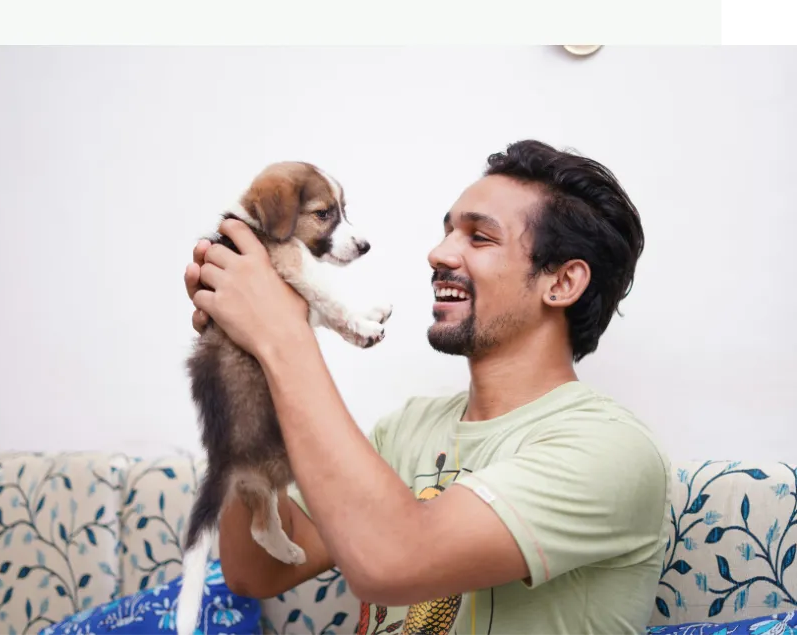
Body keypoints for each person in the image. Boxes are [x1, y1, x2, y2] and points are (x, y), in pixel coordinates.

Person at [184, 139, 671, 635]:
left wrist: (281, 336)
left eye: (479, 238)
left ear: (563, 282)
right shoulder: (407, 430)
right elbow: (255, 570)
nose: (438, 254)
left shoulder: (610, 449)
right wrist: (244, 351)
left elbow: (392, 562)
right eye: (446, 232)